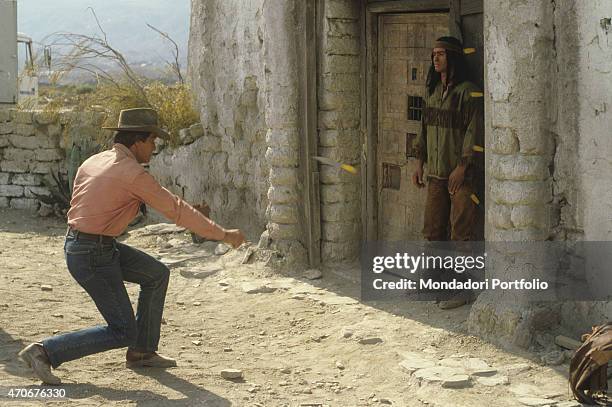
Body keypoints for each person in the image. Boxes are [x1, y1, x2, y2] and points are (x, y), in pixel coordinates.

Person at [19, 108, 245, 385]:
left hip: (86, 246)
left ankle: (142, 352)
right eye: (152, 142)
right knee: (122, 330)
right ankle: (44, 352)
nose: (153, 149)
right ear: (138, 140)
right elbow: (176, 210)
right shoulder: (132, 173)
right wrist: (222, 234)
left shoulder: (93, 161)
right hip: (93, 254)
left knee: (156, 274)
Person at [411, 37, 484, 309]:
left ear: (452, 58)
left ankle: (462, 289)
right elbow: (424, 129)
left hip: (460, 177)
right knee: (432, 230)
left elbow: (473, 133)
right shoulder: (431, 93)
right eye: (434, 54)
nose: (435, 58)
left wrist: (463, 167)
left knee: (460, 233)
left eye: (441, 54)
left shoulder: (469, 93)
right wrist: (420, 162)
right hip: (436, 175)